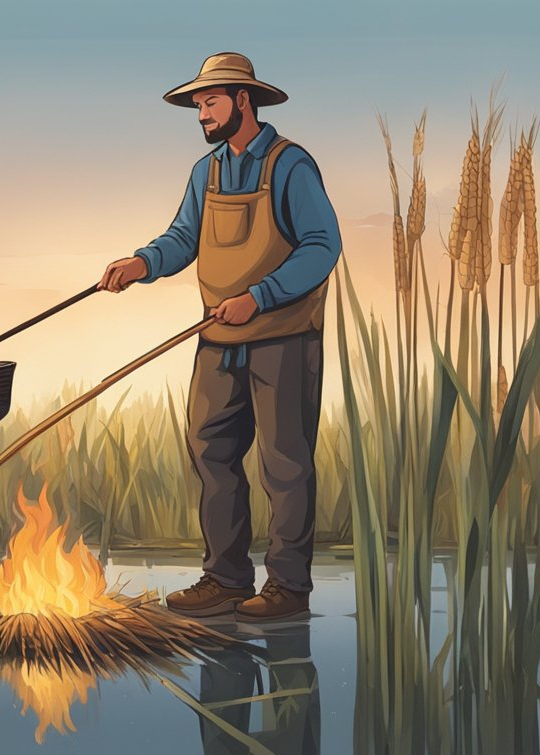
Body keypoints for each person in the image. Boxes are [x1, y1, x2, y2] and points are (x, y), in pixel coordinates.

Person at [98, 52, 341, 622]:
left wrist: (258, 297)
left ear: (244, 100)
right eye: (198, 104)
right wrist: (141, 264)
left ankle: (288, 588)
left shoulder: (290, 165)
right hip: (217, 336)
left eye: (210, 101)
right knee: (211, 449)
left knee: (284, 462)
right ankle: (226, 578)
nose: (201, 113)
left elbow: (321, 247)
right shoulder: (204, 172)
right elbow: (184, 237)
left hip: (283, 336)